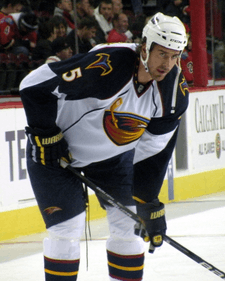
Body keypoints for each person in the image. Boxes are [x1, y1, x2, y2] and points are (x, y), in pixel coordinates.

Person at [19, 12, 188, 281]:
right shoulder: (108, 64)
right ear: (145, 47)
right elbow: (32, 86)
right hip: (55, 153)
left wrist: (148, 201)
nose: (168, 64)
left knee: (130, 226)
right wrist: (45, 133)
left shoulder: (173, 94)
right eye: (162, 54)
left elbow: (154, 152)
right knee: (66, 231)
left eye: (175, 55)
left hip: (113, 159)